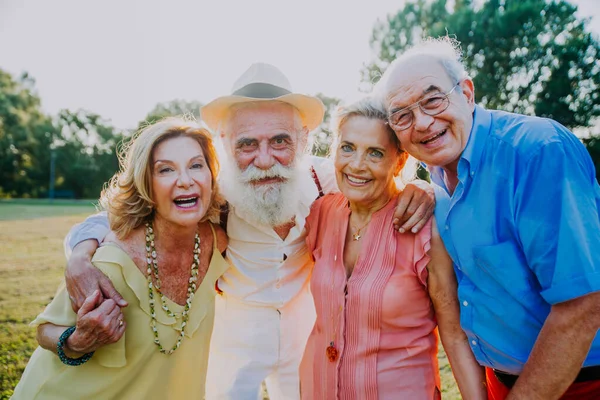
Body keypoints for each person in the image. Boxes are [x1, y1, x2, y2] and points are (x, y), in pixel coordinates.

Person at [61, 63, 436, 400]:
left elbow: (384, 186)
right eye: (247, 144)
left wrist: (427, 190)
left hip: (307, 337)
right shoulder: (211, 192)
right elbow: (114, 218)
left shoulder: (329, 178)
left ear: (303, 140)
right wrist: (79, 256)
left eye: (280, 141)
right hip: (231, 341)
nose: (264, 159)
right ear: (225, 143)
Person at [377, 37, 600, 400]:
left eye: (433, 99)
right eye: (402, 115)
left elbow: (584, 302)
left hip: (579, 381)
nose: (422, 122)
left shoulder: (538, 152)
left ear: (466, 92)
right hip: (499, 381)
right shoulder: (436, 179)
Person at [12, 118, 228, 399]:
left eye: (196, 165)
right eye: (165, 169)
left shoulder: (219, 241)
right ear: (145, 186)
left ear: (211, 176)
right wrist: (76, 342)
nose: (185, 180)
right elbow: (46, 331)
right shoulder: (108, 262)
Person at [299, 97, 486, 399]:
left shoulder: (424, 227)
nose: (356, 165)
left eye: (375, 153)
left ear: (399, 161)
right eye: (347, 147)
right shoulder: (319, 213)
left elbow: (454, 335)